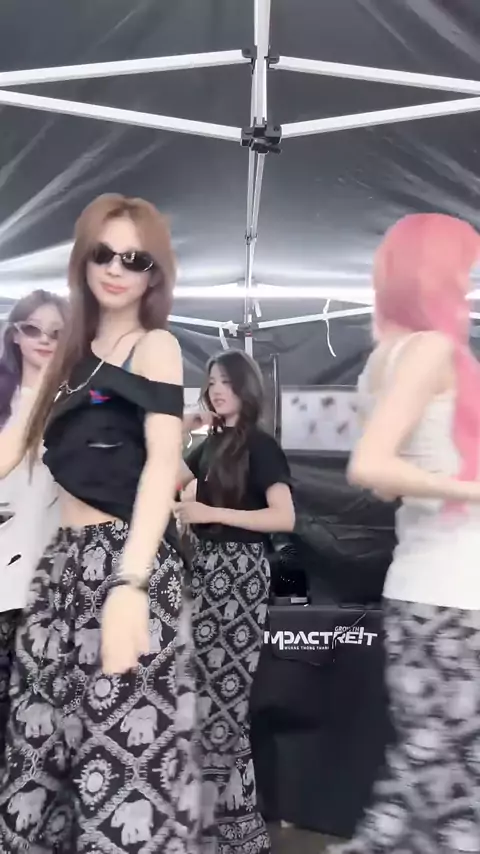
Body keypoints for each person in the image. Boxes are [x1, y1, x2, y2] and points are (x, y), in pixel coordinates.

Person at [0, 194, 199, 853]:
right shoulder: (70, 356)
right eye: (103, 253)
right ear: (82, 258)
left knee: (123, 773)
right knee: (38, 761)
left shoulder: (155, 346)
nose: (116, 268)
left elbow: (162, 465)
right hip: (60, 570)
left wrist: (131, 584)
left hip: (125, 562)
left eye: (135, 259)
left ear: (154, 272)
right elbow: (11, 448)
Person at [329, 213, 480, 854]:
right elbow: (371, 467)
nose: (467, 285)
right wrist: (470, 489)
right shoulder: (431, 351)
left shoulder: (383, 361)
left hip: (429, 592)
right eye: (462, 272)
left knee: (432, 780)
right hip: (453, 596)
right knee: (444, 787)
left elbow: (388, 482)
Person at [175, 349, 295, 854]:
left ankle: (232, 826)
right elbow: (167, 476)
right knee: (202, 697)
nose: (217, 389)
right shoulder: (208, 446)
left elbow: (284, 518)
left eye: (226, 381)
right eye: (211, 382)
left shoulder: (260, 445)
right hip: (203, 573)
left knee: (224, 697)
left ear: (245, 387)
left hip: (241, 574)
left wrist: (212, 513)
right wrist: (185, 427)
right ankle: (221, 822)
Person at [0, 289, 67, 761]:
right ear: (15, 335)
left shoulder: (80, 400)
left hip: (54, 574)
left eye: (57, 333)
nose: (44, 339)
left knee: (42, 714)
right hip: (4, 568)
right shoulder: (4, 398)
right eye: (33, 329)